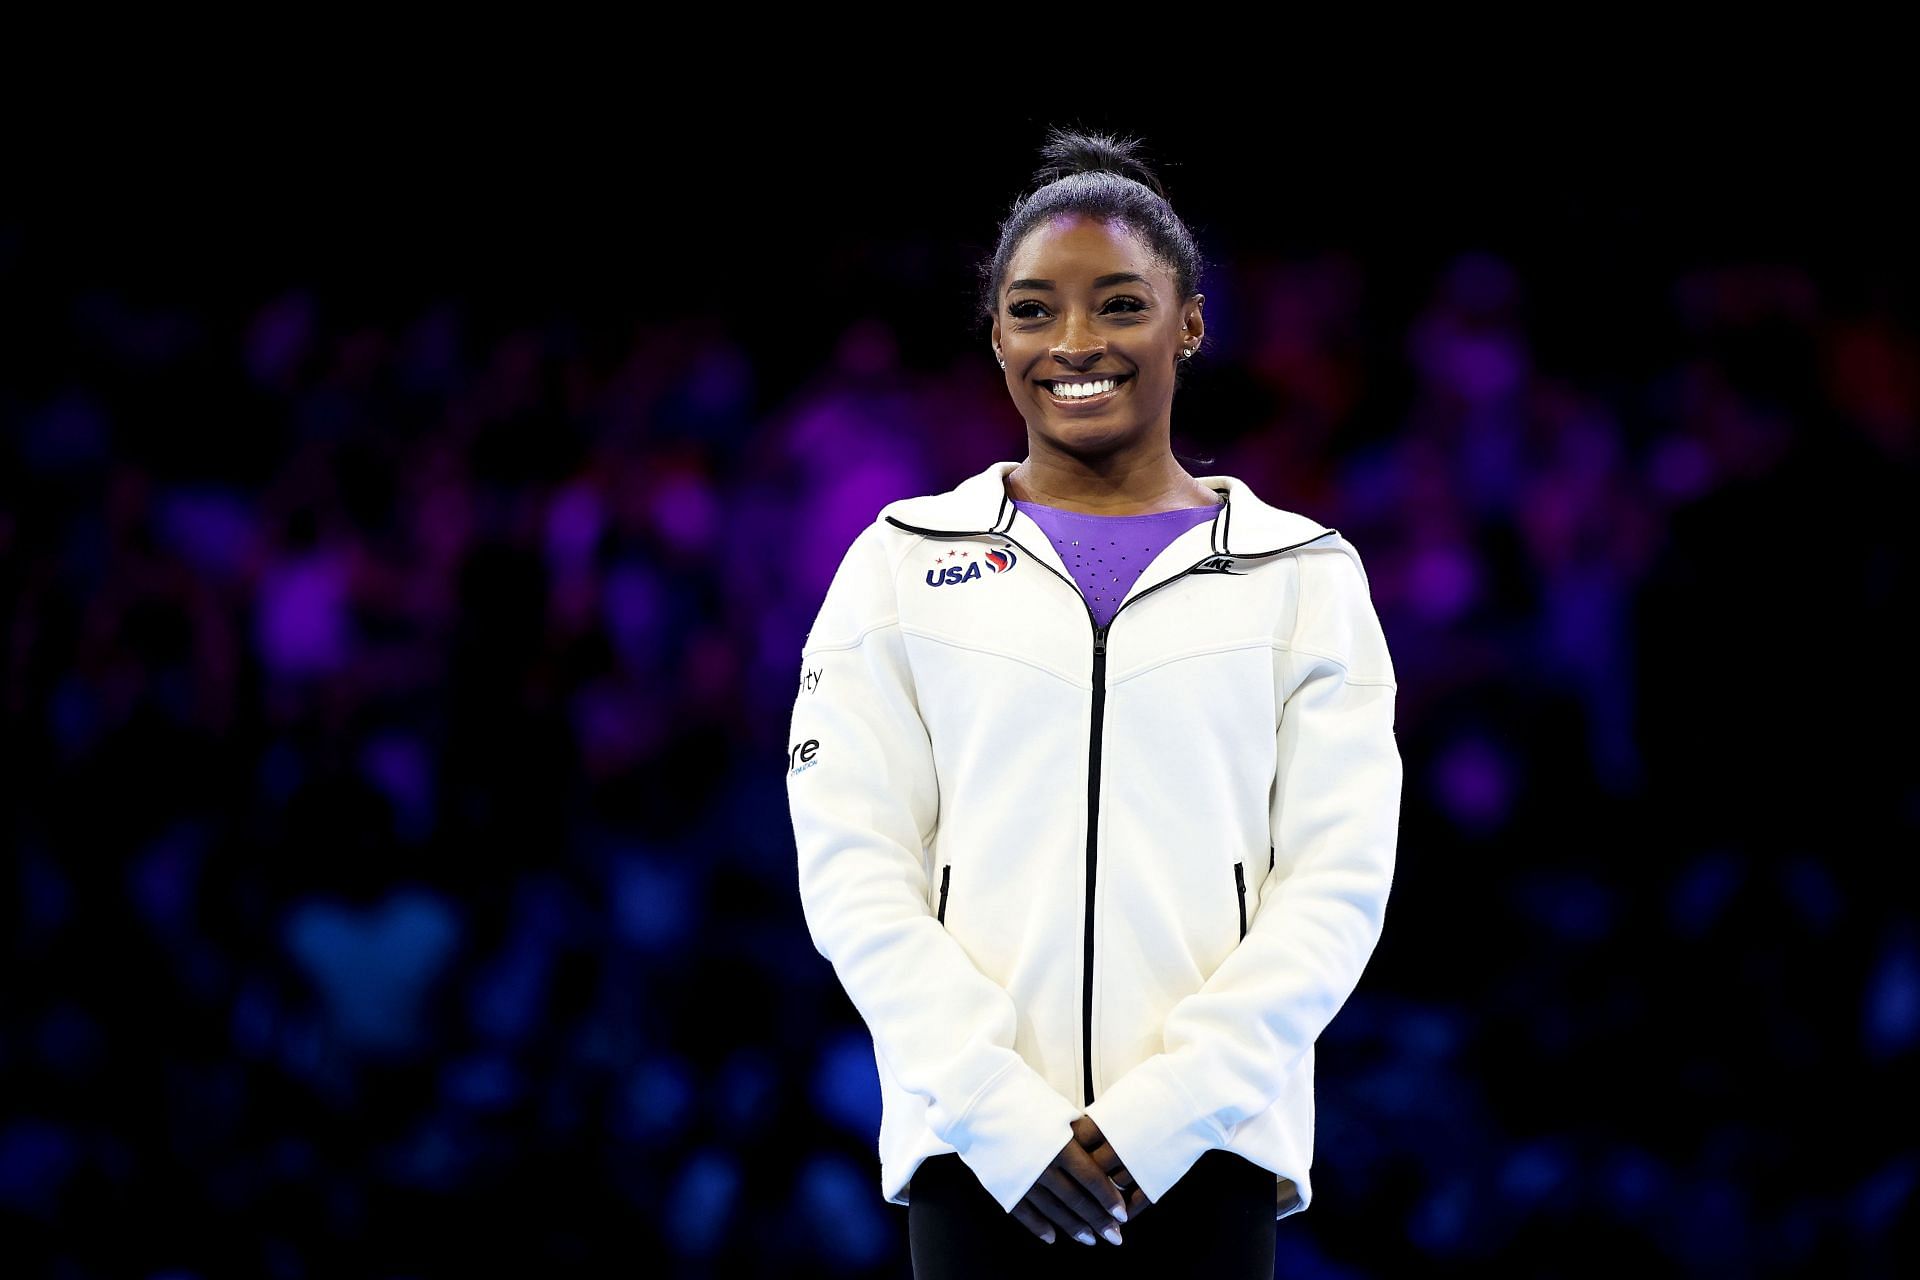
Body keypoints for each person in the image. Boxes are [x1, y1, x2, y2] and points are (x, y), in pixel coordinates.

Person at [786, 126, 1403, 1277]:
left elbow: (1335, 887)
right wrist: (996, 1112)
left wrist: (1168, 1112)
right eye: (1033, 310)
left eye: (1120, 304)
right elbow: (854, 871)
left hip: (1208, 1155)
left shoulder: (1303, 574)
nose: (1075, 342)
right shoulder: (899, 564)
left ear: (1191, 323)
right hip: (978, 1161)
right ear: (996, 333)